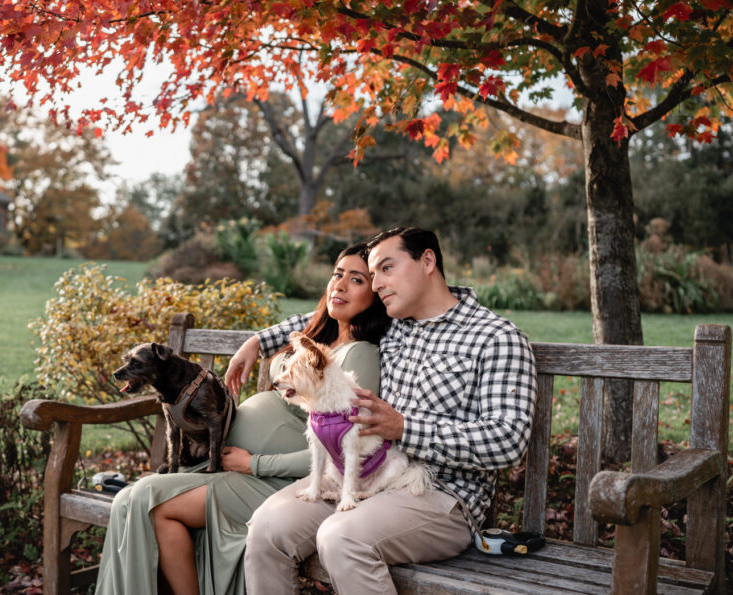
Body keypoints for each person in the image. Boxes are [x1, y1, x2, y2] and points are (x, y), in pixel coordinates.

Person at [229, 227, 538, 595]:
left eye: (386, 269)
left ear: (427, 261)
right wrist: (259, 340)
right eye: (373, 275)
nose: (376, 285)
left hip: (438, 494)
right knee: (267, 527)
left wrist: (405, 428)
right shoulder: (392, 325)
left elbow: (508, 441)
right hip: (357, 475)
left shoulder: (496, 337)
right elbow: (329, 316)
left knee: (341, 537)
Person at [94, 244, 391, 595]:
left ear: (375, 294)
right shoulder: (317, 336)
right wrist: (254, 342)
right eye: (336, 274)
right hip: (232, 467)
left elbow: (347, 448)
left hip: (275, 481)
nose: (339, 285)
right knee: (134, 498)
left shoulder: (361, 353)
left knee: (147, 502)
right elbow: (302, 325)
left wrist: (256, 463)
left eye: (355, 279)